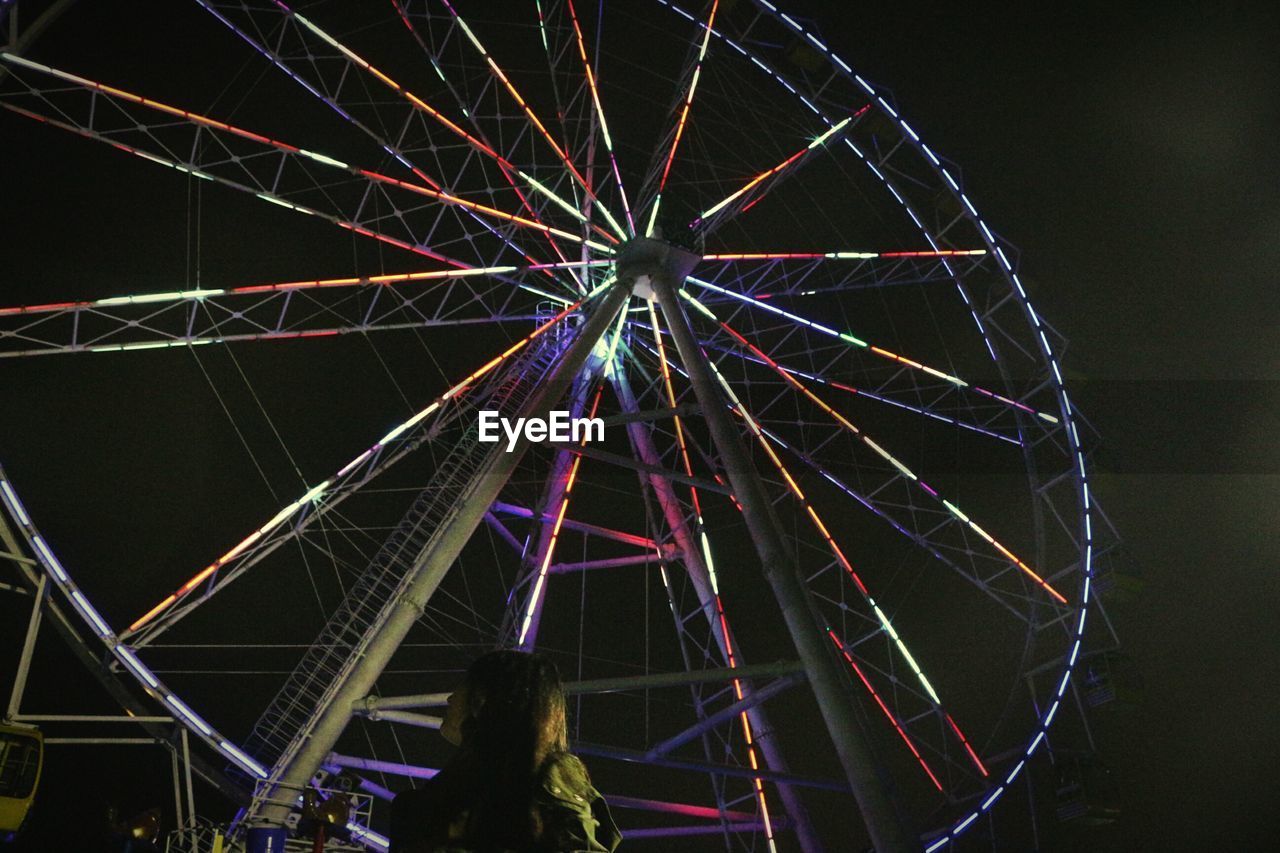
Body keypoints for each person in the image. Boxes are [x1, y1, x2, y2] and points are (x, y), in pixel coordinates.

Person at [390, 650, 621, 853]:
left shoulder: (545, 779)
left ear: (483, 699)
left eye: (462, 687)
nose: (450, 699)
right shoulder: (427, 799)